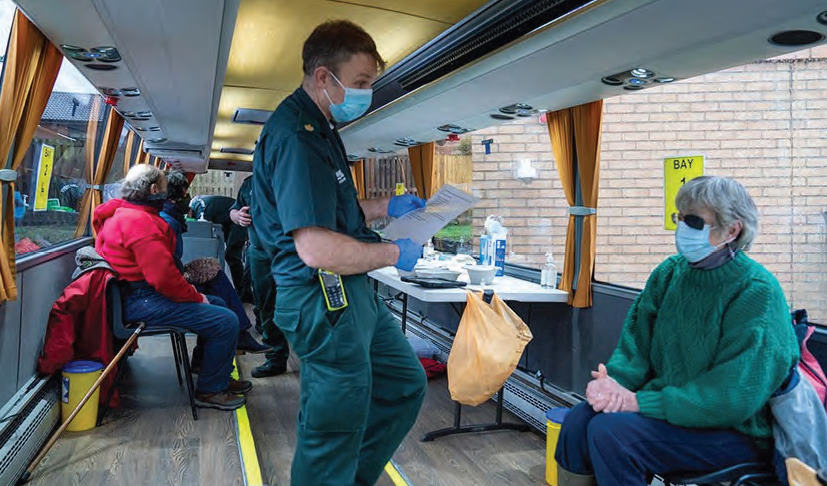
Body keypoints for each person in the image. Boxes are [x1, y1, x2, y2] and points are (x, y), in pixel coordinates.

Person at [250, 20, 428, 485]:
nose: (367, 93)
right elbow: (315, 248)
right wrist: (392, 252)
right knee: (333, 426)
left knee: (404, 385)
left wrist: (387, 206)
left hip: (352, 293)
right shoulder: (296, 136)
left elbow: (335, 211)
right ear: (324, 77)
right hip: (321, 297)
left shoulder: (322, 127)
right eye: (362, 83)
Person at [554, 176, 800, 486]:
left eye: (694, 221)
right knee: (578, 422)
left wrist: (636, 403)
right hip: (671, 410)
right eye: (679, 217)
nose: (682, 227)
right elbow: (636, 349)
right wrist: (612, 383)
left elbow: (731, 398)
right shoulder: (670, 273)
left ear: (732, 230)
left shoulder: (756, 292)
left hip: (735, 431)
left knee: (612, 433)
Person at [94, 164, 251, 411]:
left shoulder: (121, 214)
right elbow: (164, 279)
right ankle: (209, 392)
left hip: (132, 296)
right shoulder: (141, 224)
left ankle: (211, 374)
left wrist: (197, 296)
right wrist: (197, 298)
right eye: (166, 189)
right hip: (141, 300)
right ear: (155, 189)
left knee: (219, 305)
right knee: (226, 320)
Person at [160, 171, 268, 353]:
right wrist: (191, 291)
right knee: (219, 305)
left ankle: (241, 334)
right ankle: (235, 340)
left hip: (172, 278)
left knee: (215, 273)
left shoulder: (171, 220)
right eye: (185, 194)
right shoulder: (167, 223)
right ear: (173, 198)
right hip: (160, 291)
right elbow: (162, 272)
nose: (187, 198)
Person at [230, 175, 290, 377]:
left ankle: (312, 359)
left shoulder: (291, 177)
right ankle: (276, 358)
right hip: (259, 253)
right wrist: (237, 216)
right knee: (265, 304)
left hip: (291, 251)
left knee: (296, 302)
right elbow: (234, 209)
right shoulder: (249, 184)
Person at [190, 193, 248, 293]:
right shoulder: (199, 202)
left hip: (238, 220)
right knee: (230, 256)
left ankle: (244, 293)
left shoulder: (201, 209)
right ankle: (241, 290)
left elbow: (205, 233)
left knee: (232, 257)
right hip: (229, 220)